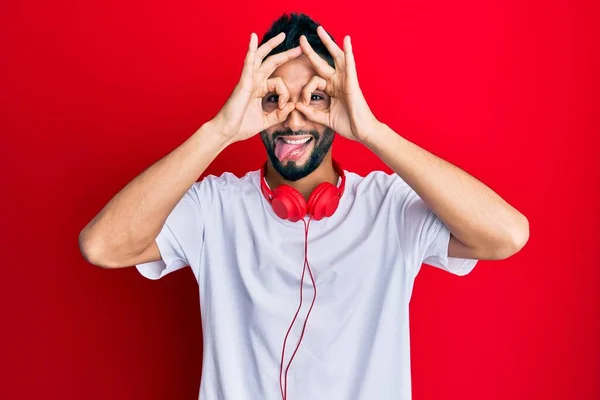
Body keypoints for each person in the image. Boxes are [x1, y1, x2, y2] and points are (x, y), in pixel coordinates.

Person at [79, 12, 529, 400]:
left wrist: (372, 131)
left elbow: (507, 235)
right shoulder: (215, 208)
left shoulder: (390, 207)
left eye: (315, 98)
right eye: (274, 98)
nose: (293, 118)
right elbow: (102, 247)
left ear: (340, 99)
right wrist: (219, 130)